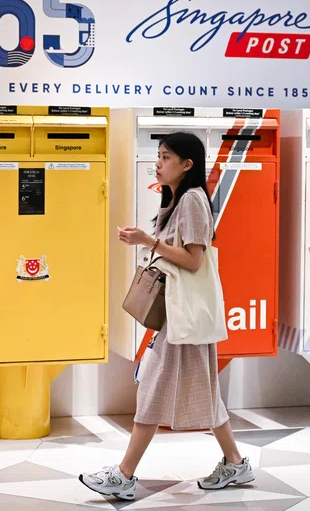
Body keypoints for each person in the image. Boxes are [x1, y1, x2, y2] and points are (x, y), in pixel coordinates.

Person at [79, 132, 253, 501]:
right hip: (180, 315)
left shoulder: (191, 200)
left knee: (154, 389)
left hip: (182, 316)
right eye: (158, 155)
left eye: (166, 157)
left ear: (187, 165)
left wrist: (149, 241)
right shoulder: (178, 199)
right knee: (203, 393)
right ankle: (235, 463)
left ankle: (124, 475)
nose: (158, 163)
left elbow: (194, 259)